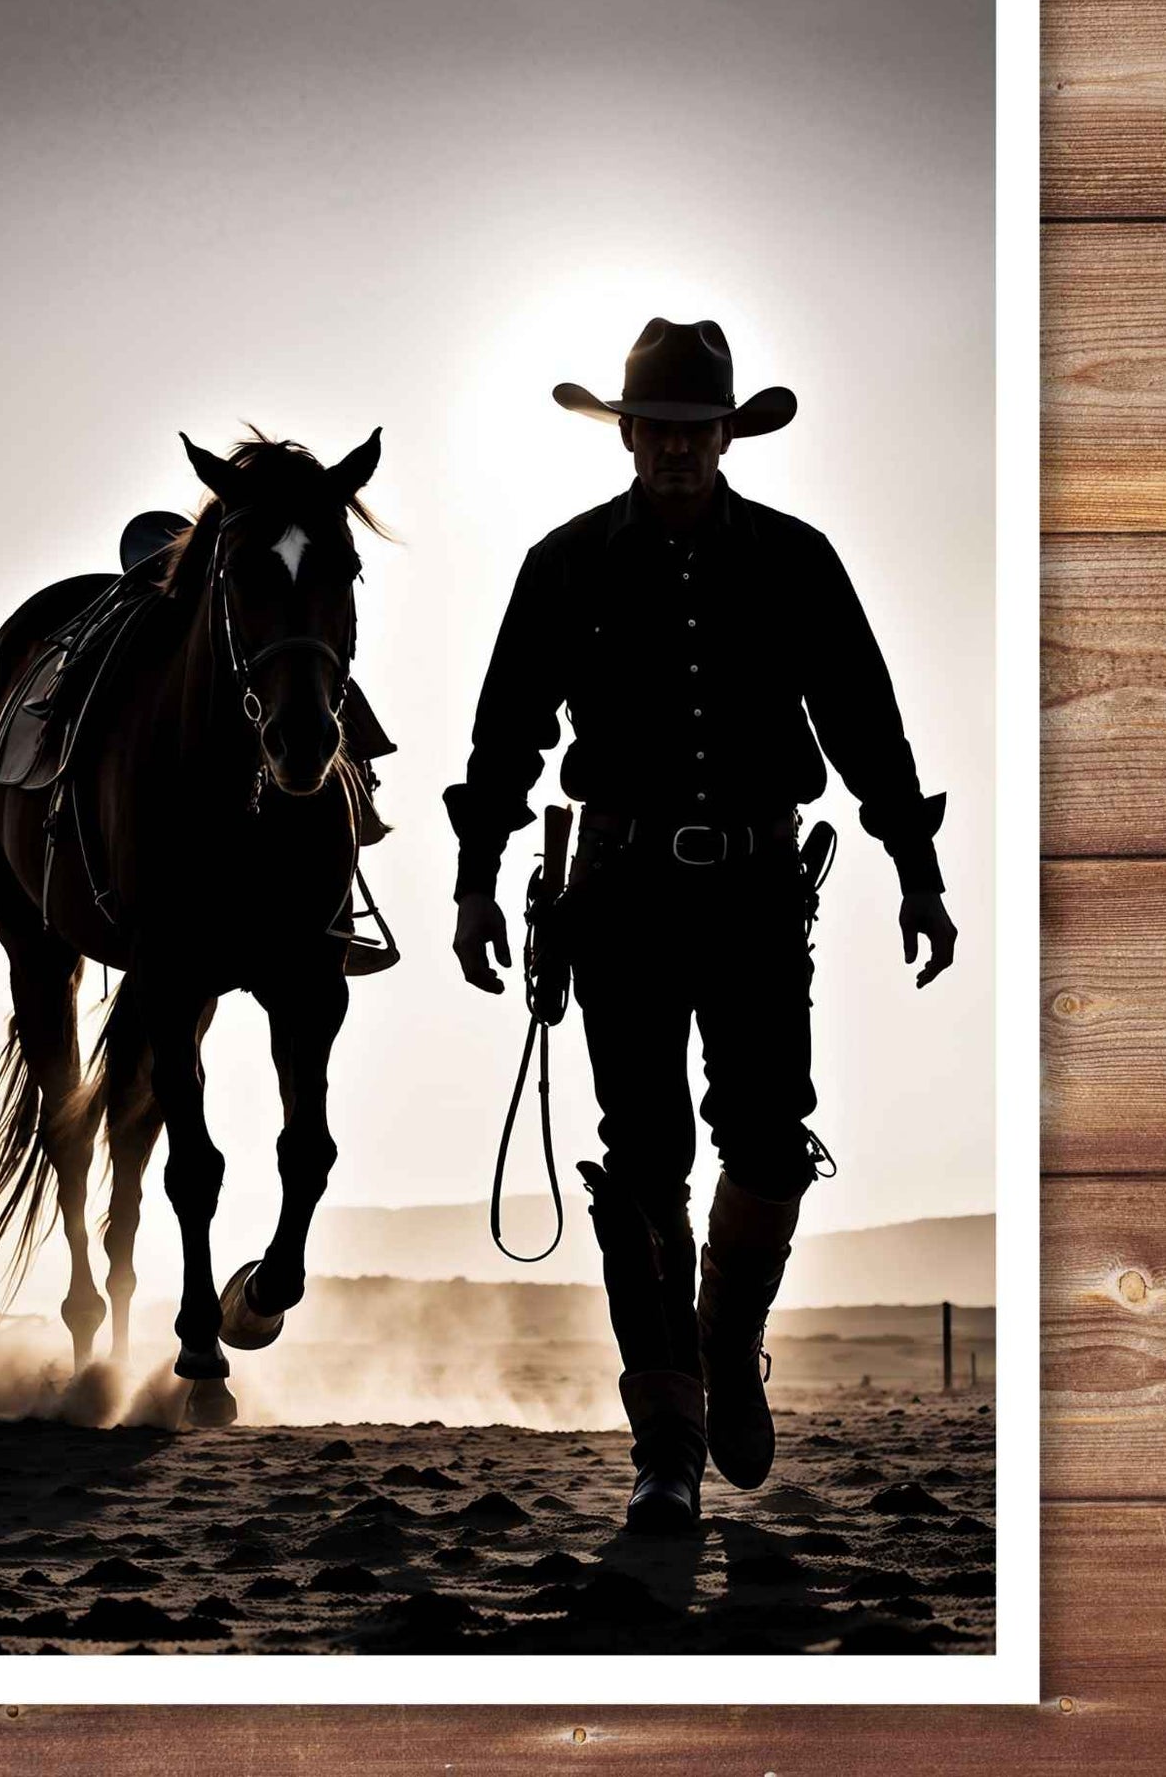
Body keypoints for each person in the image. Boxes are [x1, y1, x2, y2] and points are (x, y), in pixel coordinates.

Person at [446, 317, 957, 1535]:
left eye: (696, 430)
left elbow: (862, 723)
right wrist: (475, 881)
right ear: (627, 435)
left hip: (754, 890)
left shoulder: (794, 560)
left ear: (728, 435)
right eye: (657, 430)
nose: (676, 450)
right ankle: (665, 1446)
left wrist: (916, 868)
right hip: (616, 895)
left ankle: (727, 1345)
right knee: (642, 1165)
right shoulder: (563, 564)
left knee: (770, 1142)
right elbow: (504, 735)